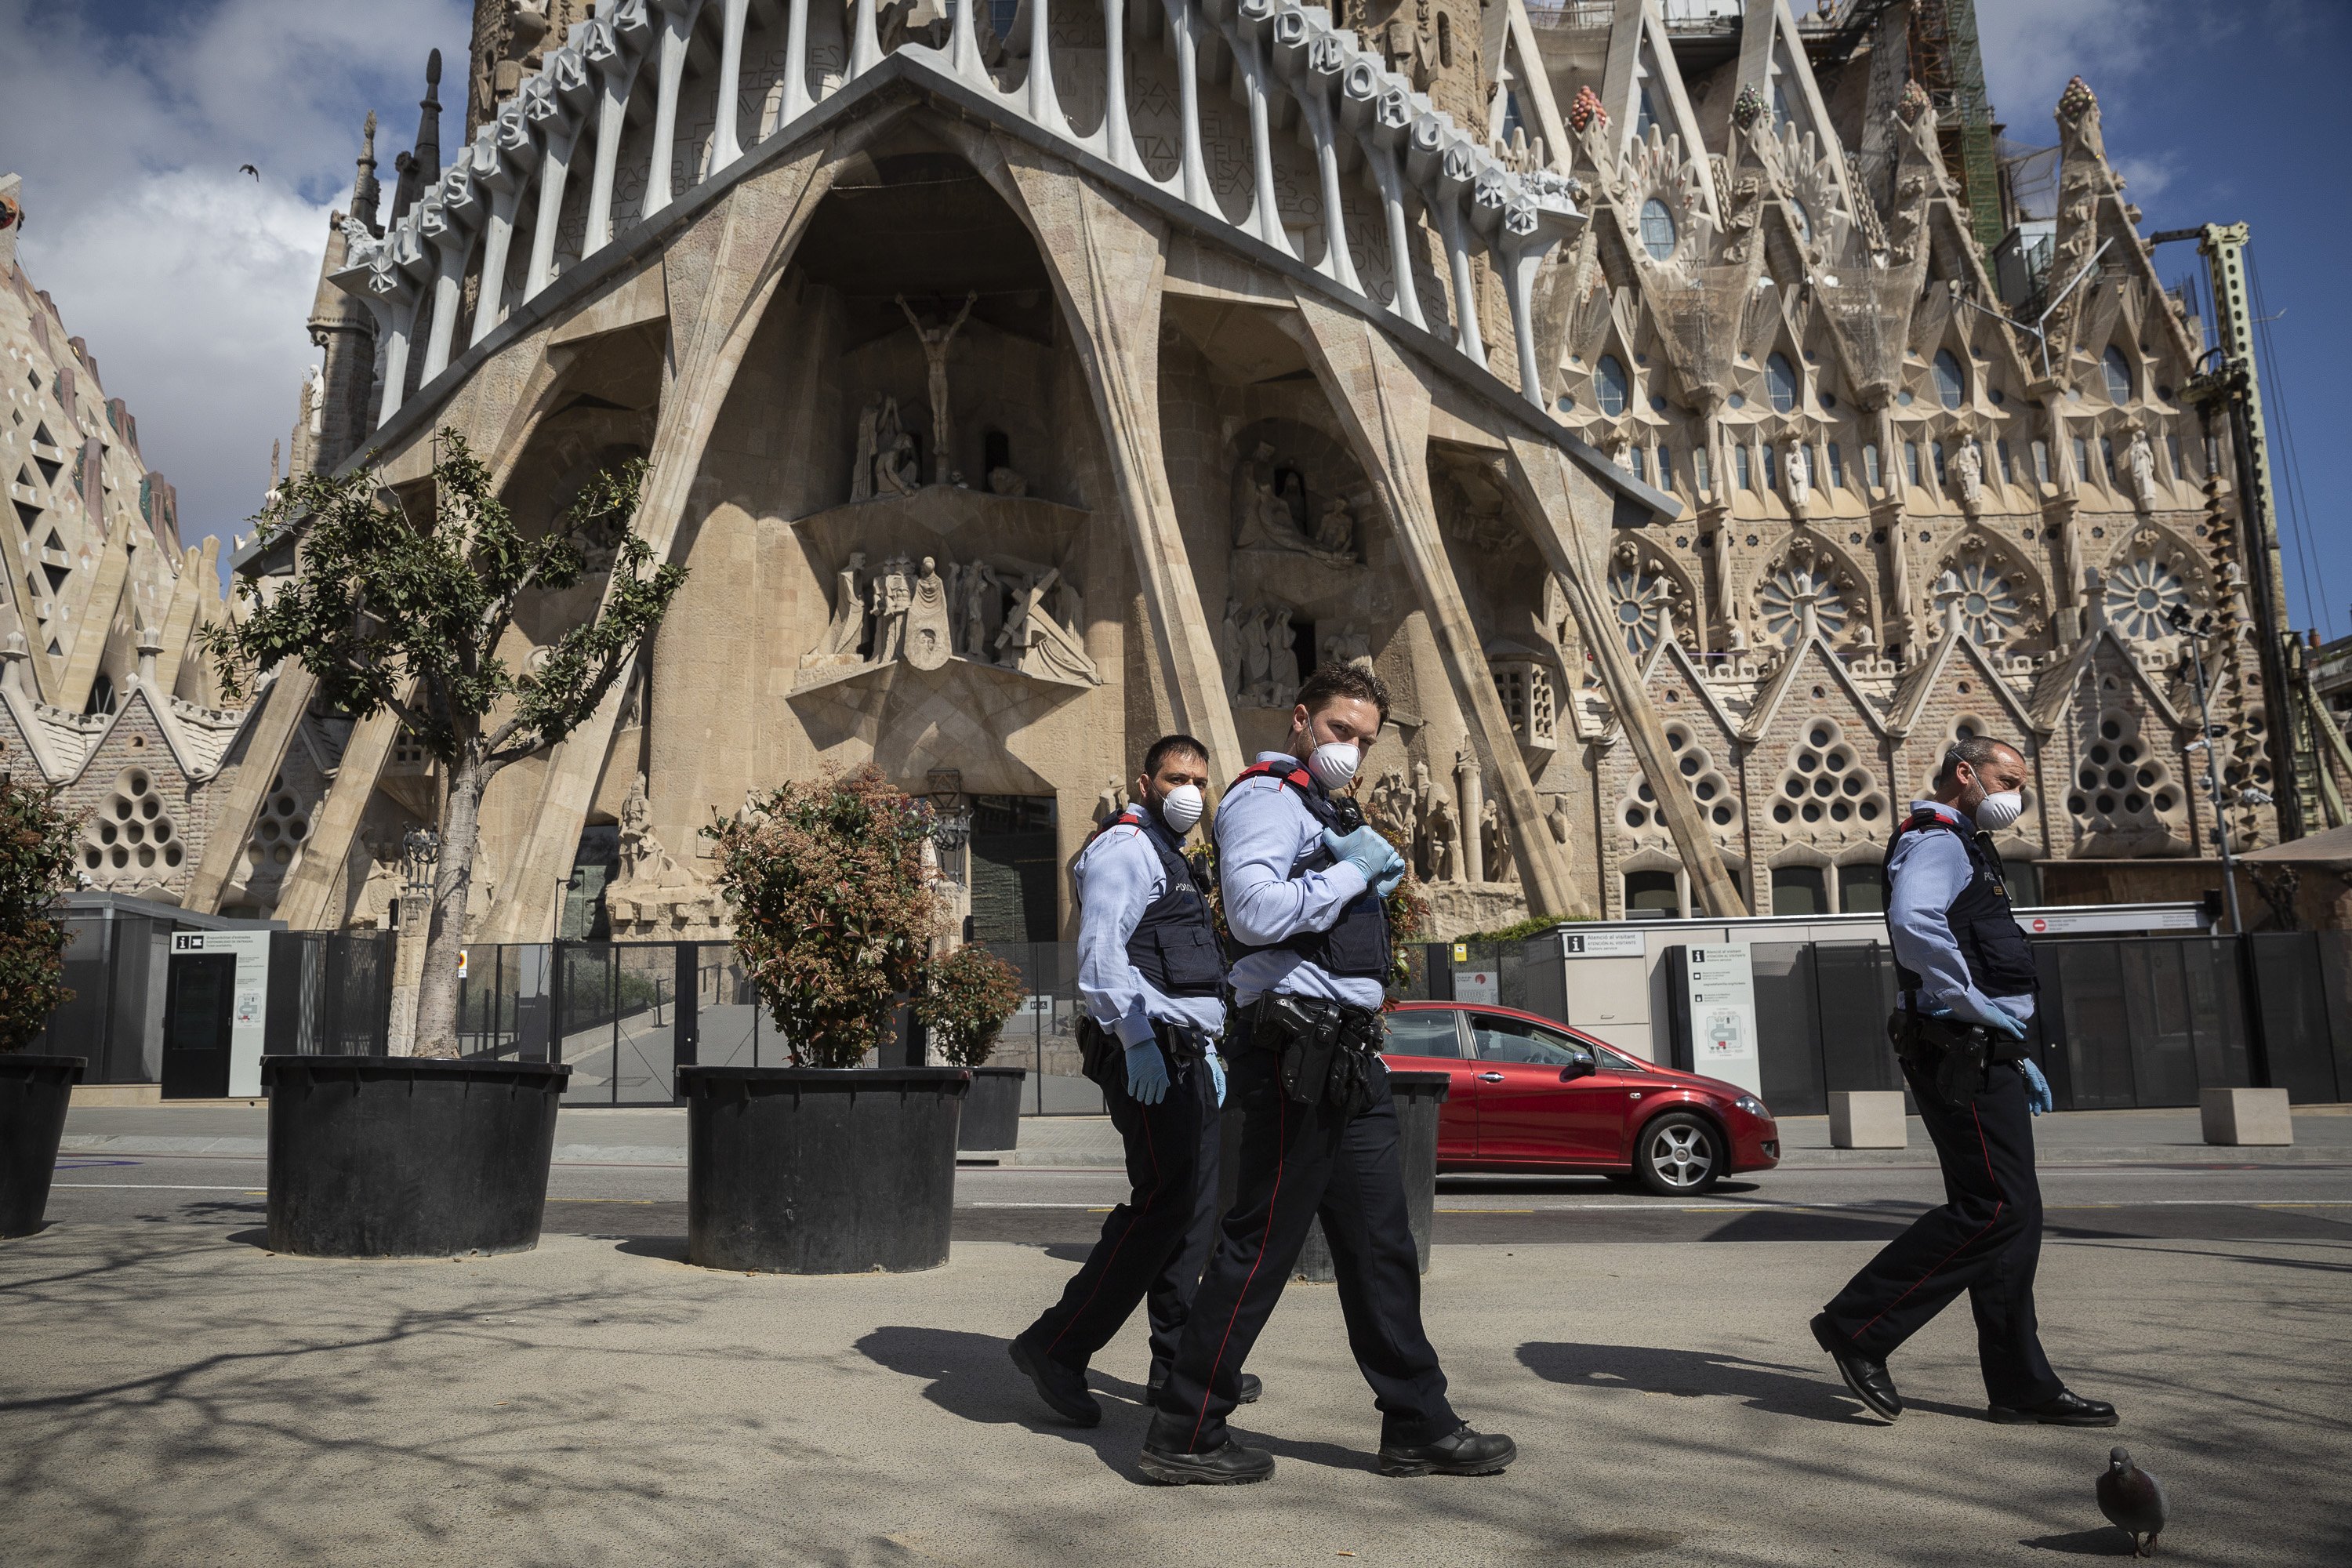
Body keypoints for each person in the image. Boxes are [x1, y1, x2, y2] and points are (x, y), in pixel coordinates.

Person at [1139, 666, 1515, 1485]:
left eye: (1367, 740)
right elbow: (1256, 912)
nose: (1353, 749)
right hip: (1290, 1050)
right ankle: (1185, 1423)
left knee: (1383, 1243)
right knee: (1259, 1243)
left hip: (1348, 1051)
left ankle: (1417, 1419)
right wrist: (1354, 871)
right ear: (1301, 720)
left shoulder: (1324, 806)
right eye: (1341, 731)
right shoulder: (1265, 799)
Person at [1809, 735, 2117, 1428]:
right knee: (1994, 1207)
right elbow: (1915, 924)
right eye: (2009, 779)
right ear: (1966, 773)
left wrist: (2006, 1037)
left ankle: (2019, 1383)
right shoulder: (1938, 841)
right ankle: (1858, 1326)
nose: (2018, 796)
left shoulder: (1969, 843)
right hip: (1961, 1045)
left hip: (1982, 1046)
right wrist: (1978, 1012)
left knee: (2016, 1216)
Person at [1010, 736, 1256, 1425]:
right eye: (1176, 777)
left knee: (1191, 1212)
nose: (1190, 792)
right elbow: (1099, 956)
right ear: (1143, 781)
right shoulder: (1124, 847)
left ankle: (1176, 1360)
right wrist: (1140, 1039)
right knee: (1163, 1206)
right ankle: (1055, 1345)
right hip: (1148, 1051)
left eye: (1200, 781)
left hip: (1187, 1050)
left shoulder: (1172, 856)